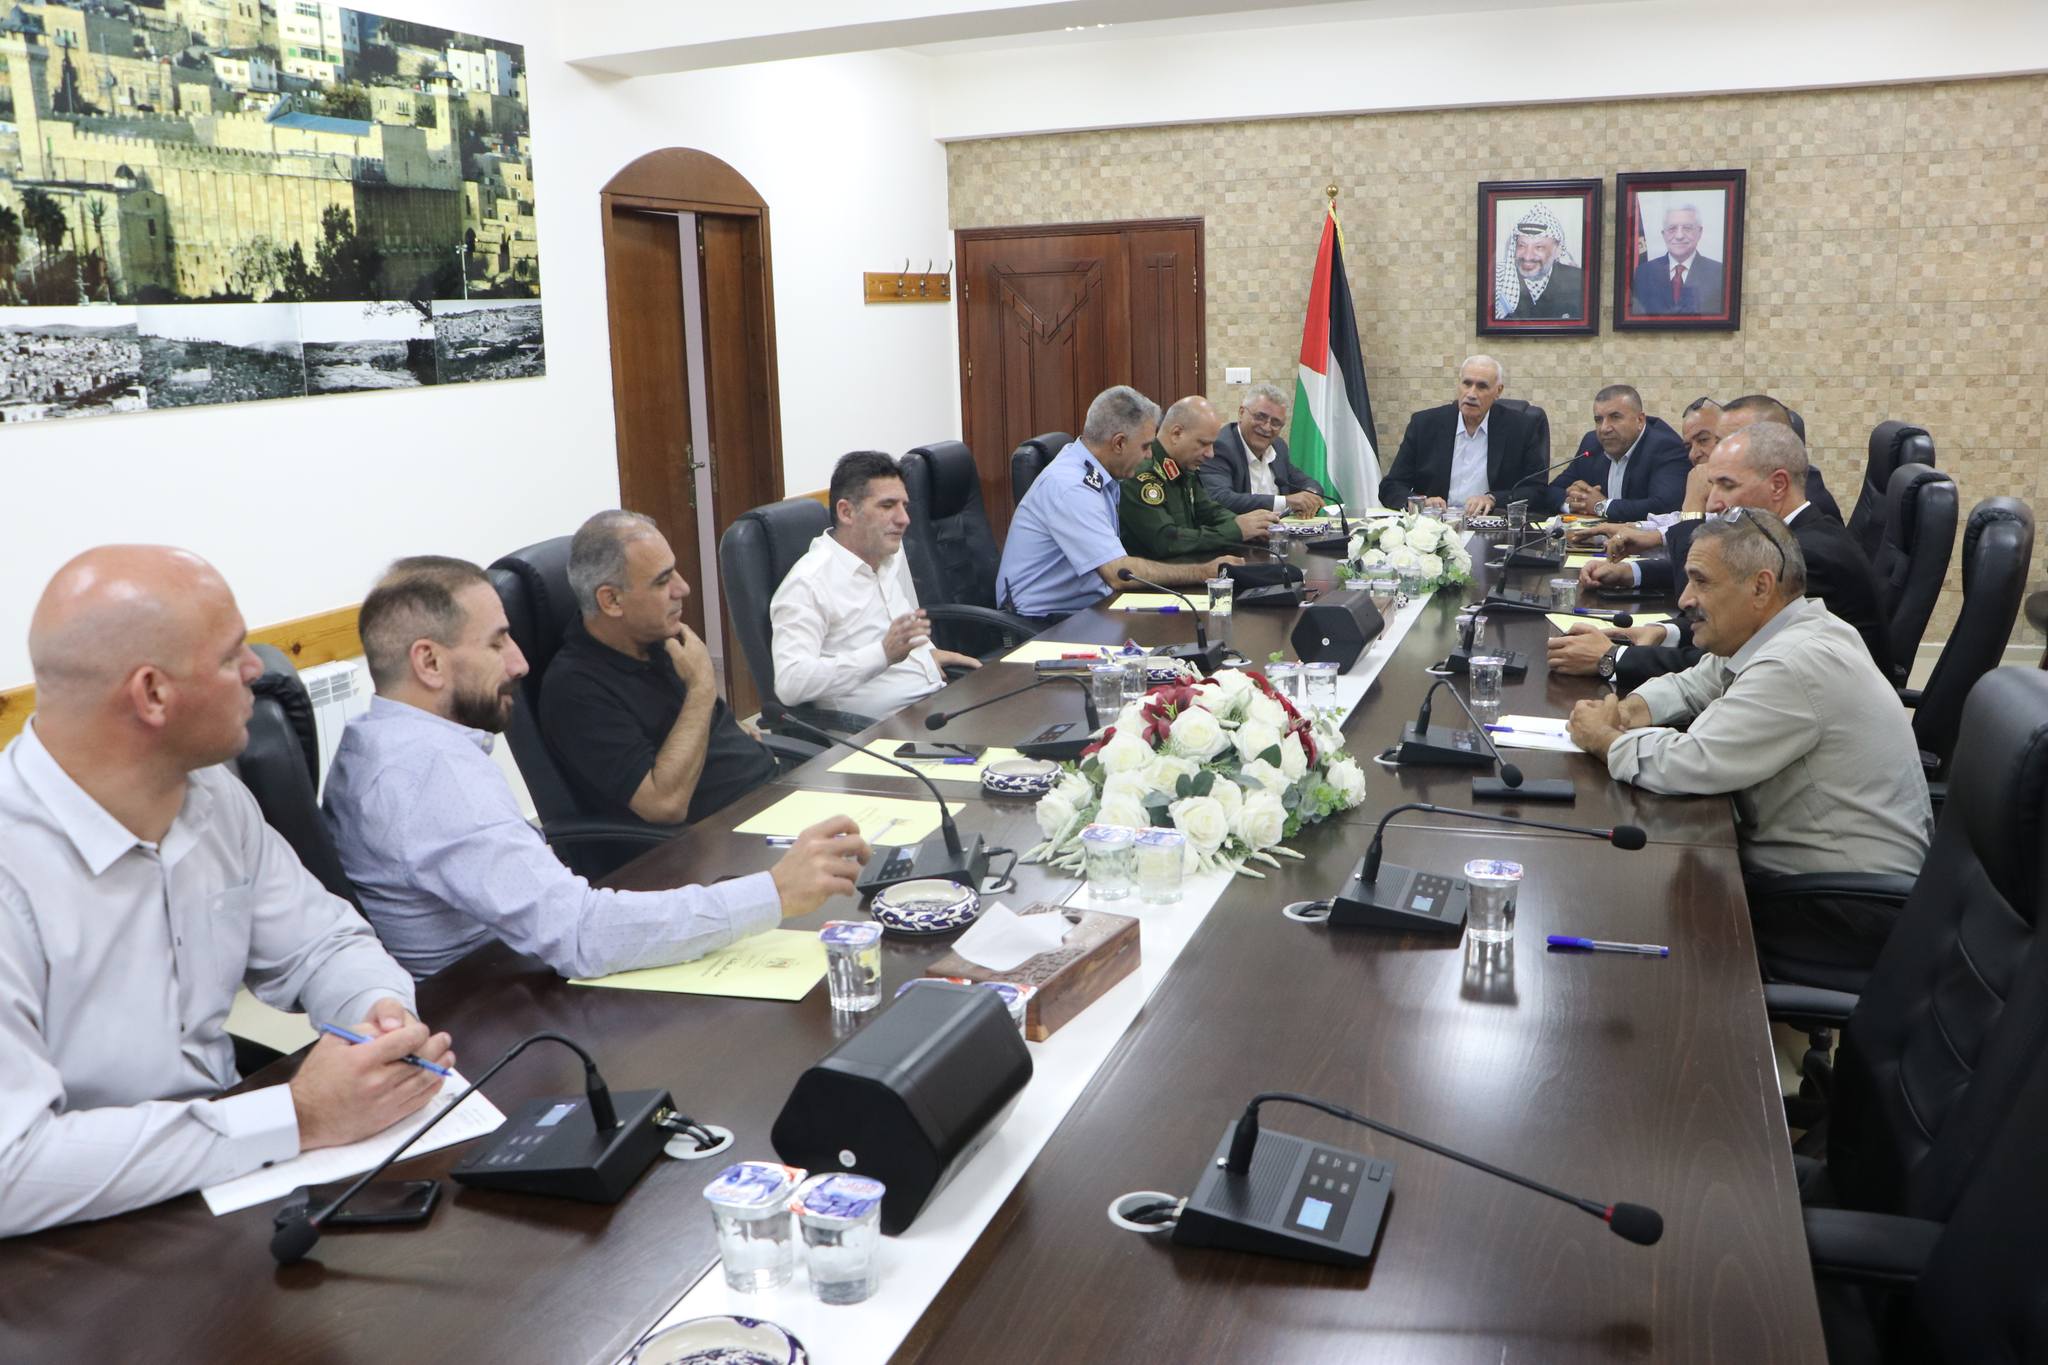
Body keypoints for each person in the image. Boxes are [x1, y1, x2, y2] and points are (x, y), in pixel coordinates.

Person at [0, 546, 451, 1237]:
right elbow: (13, 1168)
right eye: (231, 654)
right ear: (152, 694)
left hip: (225, 1180)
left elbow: (324, 943)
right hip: (73, 1238)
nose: (257, 670)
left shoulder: (211, 795)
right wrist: (299, 1115)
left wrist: (378, 1018)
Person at [325, 557, 871, 980]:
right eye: (497, 643)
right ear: (429, 661)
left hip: (503, 976)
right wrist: (773, 892)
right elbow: (579, 934)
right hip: (493, 1010)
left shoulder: (374, 740)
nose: (519, 662)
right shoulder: (433, 774)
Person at [1566, 512, 1930, 987]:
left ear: (1760, 587)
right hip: (1822, 879)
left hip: (1845, 909)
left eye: (1701, 581)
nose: (1685, 598)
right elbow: (1695, 682)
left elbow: (1691, 763)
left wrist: (1606, 740)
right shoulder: (1785, 629)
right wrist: (1632, 710)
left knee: (1643, 920)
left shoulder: (1792, 662)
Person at [1551, 422, 1892, 686]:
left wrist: (1613, 658)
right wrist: (1665, 632)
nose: (1713, 502)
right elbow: (1730, 623)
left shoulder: (1804, 555)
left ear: (1778, 485)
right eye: (1711, 485)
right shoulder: (1787, 536)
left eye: (1727, 485)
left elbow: (1728, 662)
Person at [542, 511, 776, 829]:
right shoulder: (575, 690)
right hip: (717, 839)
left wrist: (730, 730)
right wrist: (701, 688)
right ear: (611, 600)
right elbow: (664, 805)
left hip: (770, 799)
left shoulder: (660, 639)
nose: (683, 588)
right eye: (663, 581)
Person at [994, 386, 1241, 622]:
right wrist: (1203, 572)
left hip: (1092, 607)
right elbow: (1119, 574)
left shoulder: (1095, 470)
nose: (1149, 455)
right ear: (1119, 443)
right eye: (1145, 446)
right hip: (1046, 623)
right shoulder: (1071, 487)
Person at [770, 451, 979, 722]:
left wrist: (927, 655)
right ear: (846, 512)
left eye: (904, 505)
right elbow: (790, 684)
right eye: (887, 505)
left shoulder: (887, 555)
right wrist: (882, 654)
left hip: (933, 704)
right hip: (880, 731)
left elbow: (899, 634)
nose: (904, 519)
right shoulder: (808, 583)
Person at [1377, 355, 1547, 515]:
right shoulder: (1424, 424)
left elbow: (1537, 490)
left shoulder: (1521, 428)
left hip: (1490, 523)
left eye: (1482, 386)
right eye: (1467, 384)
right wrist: (1421, 503)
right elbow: (1391, 486)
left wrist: (1493, 499)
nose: (1471, 394)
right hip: (1436, 525)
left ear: (1498, 391)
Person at [1120, 395, 1278, 558]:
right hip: (1159, 571)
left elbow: (1208, 510)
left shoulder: (1183, 465)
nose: (1210, 454)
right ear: (1176, 434)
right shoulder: (1143, 473)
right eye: (1203, 443)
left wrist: (1247, 524)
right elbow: (1166, 541)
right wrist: (1236, 530)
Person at [1536, 384, 1688, 519]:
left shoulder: (1664, 446)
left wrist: (1601, 506)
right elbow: (1552, 491)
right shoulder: (1592, 443)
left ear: (1640, 420)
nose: (1604, 428)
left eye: (1615, 417)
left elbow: (1664, 507)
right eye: (1598, 420)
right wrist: (1573, 503)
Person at [1200, 382, 1330, 517]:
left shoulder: (1278, 447)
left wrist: (1310, 496)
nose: (1267, 427)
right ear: (1241, 413)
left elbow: (1307, 483)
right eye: (1260, 417)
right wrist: (1286, 502)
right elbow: (1220, 498)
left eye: (1276, 423)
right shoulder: (1220, 447)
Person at [1627, 201, 1726, 317]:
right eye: (1672, 228)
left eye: (1687, 228)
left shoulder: (1719, 273)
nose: (1679, 236)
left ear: (1699, 232)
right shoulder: (1644, 273)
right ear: (1663, 234)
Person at [1493, 204, 1587, 321]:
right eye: (1521, 245)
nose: (1527, 256)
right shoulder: (1497, 280)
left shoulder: (1579, 280)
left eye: (1539, 247)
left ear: (1557, 251)